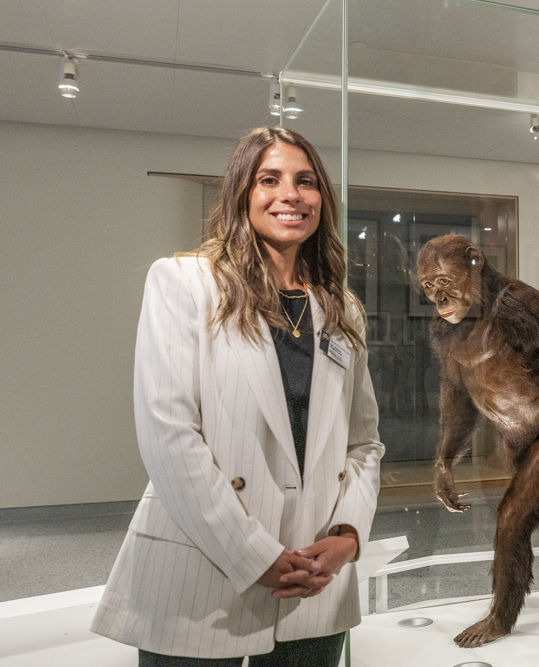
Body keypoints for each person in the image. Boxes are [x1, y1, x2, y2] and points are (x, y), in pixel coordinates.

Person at [91, 127, 384, 666]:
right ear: (241, 194)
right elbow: (169, 435)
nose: (290, 194)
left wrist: (347, 536)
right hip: (204, 571)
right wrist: (253, 555)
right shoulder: (184, 282)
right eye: (269, 180)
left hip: (315, 578)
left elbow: (363, 443)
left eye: (306, 181)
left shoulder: (341, 307)